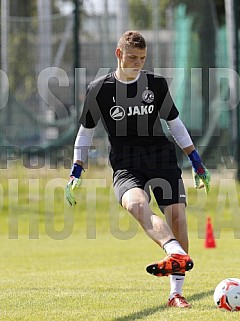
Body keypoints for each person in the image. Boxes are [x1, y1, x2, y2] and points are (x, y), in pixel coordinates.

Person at [66, 31, 210, 308]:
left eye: (142, 59)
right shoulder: (99, 89)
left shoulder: (155, 85)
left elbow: (175, 124)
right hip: (126, 164)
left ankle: (175, 293)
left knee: (178, 218)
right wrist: (76, 171)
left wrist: (196, 161)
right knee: (135, 205)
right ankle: (175, 252)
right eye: (132, 57)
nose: (137, 63)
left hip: (161, 158)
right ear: (119, 54)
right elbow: (85, 134)